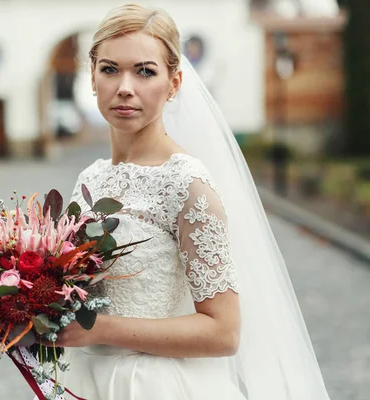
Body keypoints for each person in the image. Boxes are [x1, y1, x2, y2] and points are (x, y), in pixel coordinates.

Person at [43, 4, 330, 400]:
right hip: (84, 381)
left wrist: (100, 330)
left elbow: (223, 333)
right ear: (92, 77)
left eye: (145, 71)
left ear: (174, 83)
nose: (125, 86)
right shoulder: (90, 178)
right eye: (110, 69)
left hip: (151, 385)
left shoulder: (187, 185)